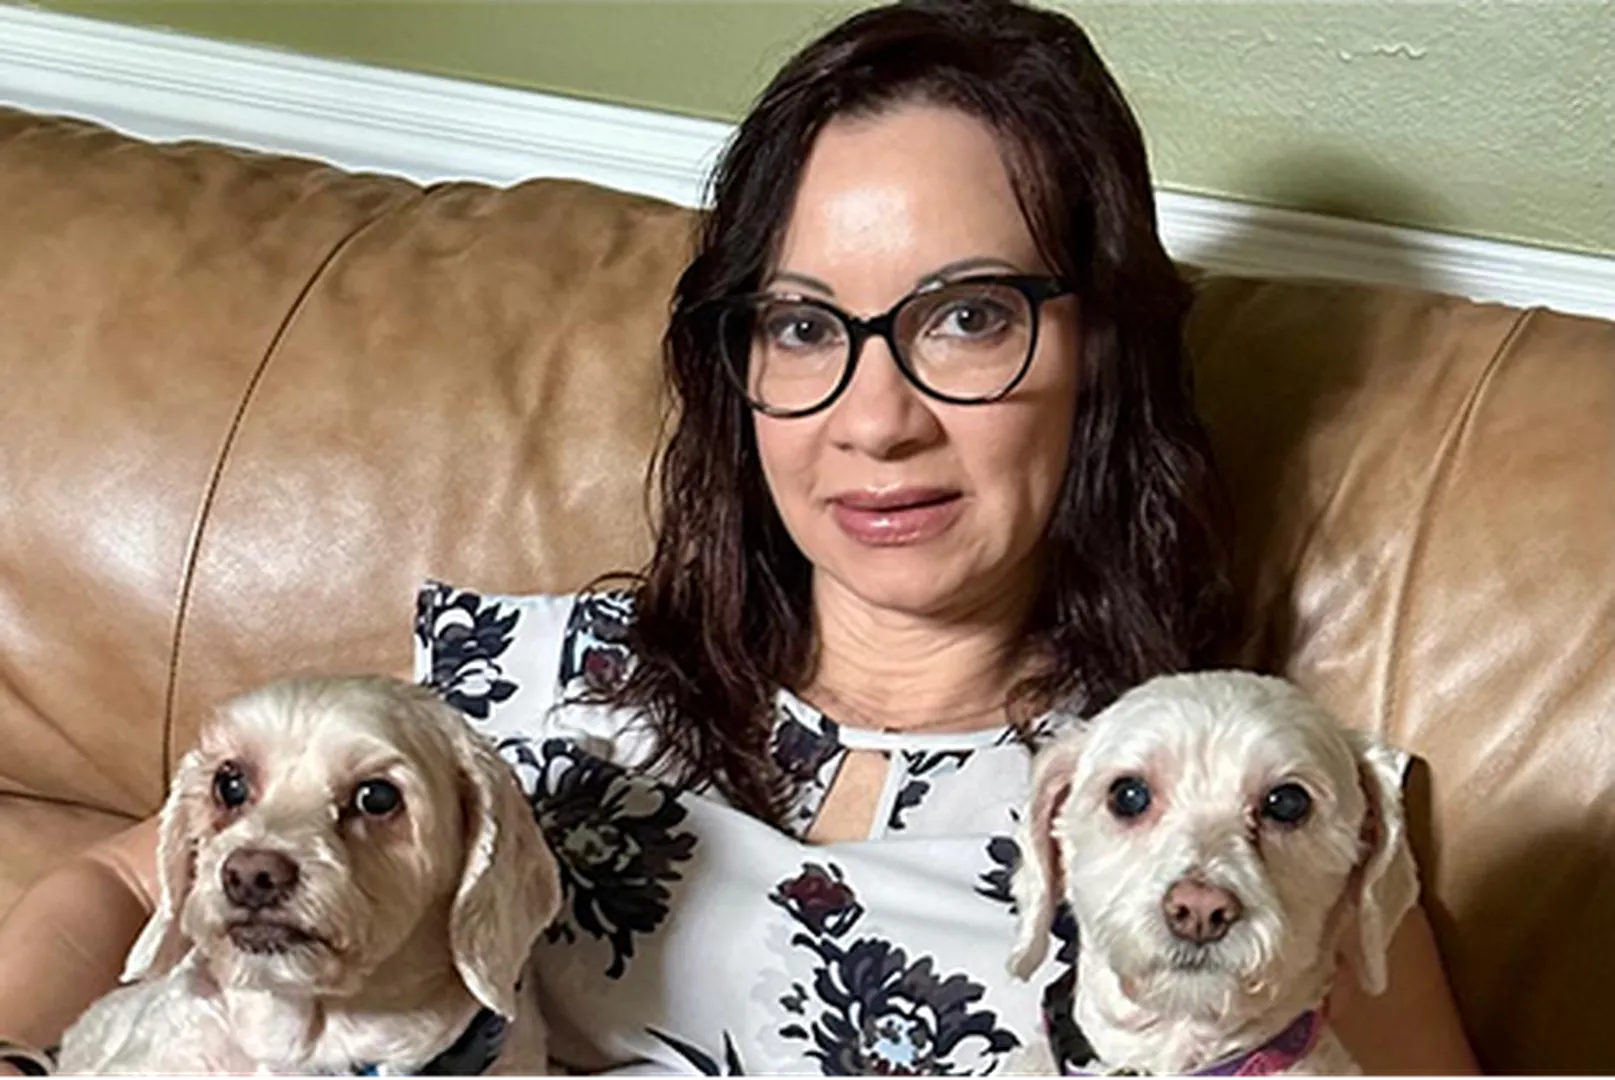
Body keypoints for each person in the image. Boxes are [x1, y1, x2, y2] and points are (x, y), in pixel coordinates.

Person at [0, 1, 1482, 1076]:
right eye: (801, 326)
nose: (874, 417)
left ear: (1106, 350)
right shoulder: (503, 700)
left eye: (967, 317)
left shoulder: (1234, 811)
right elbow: (136, 886)